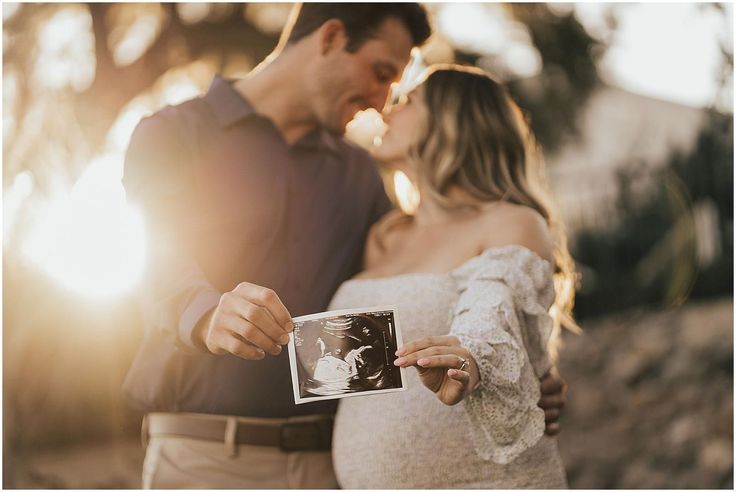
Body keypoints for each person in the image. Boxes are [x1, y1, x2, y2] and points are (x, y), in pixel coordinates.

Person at [122, 4, 566, 489]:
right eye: (380, 73)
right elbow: (153, 258)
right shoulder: (171, 134)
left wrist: (511, 374)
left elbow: (414, 298)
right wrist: (206, 313)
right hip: (204, 461)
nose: (380, 103)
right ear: (331, 38)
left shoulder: (361, 176)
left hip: (328, 466)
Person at [329, 64, 578, 488]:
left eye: (407, 101)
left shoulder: (512, 222)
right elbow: (359, 371)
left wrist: (472, 359)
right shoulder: (383, 237)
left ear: (452, 121)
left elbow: (489, 313)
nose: (386, 109)